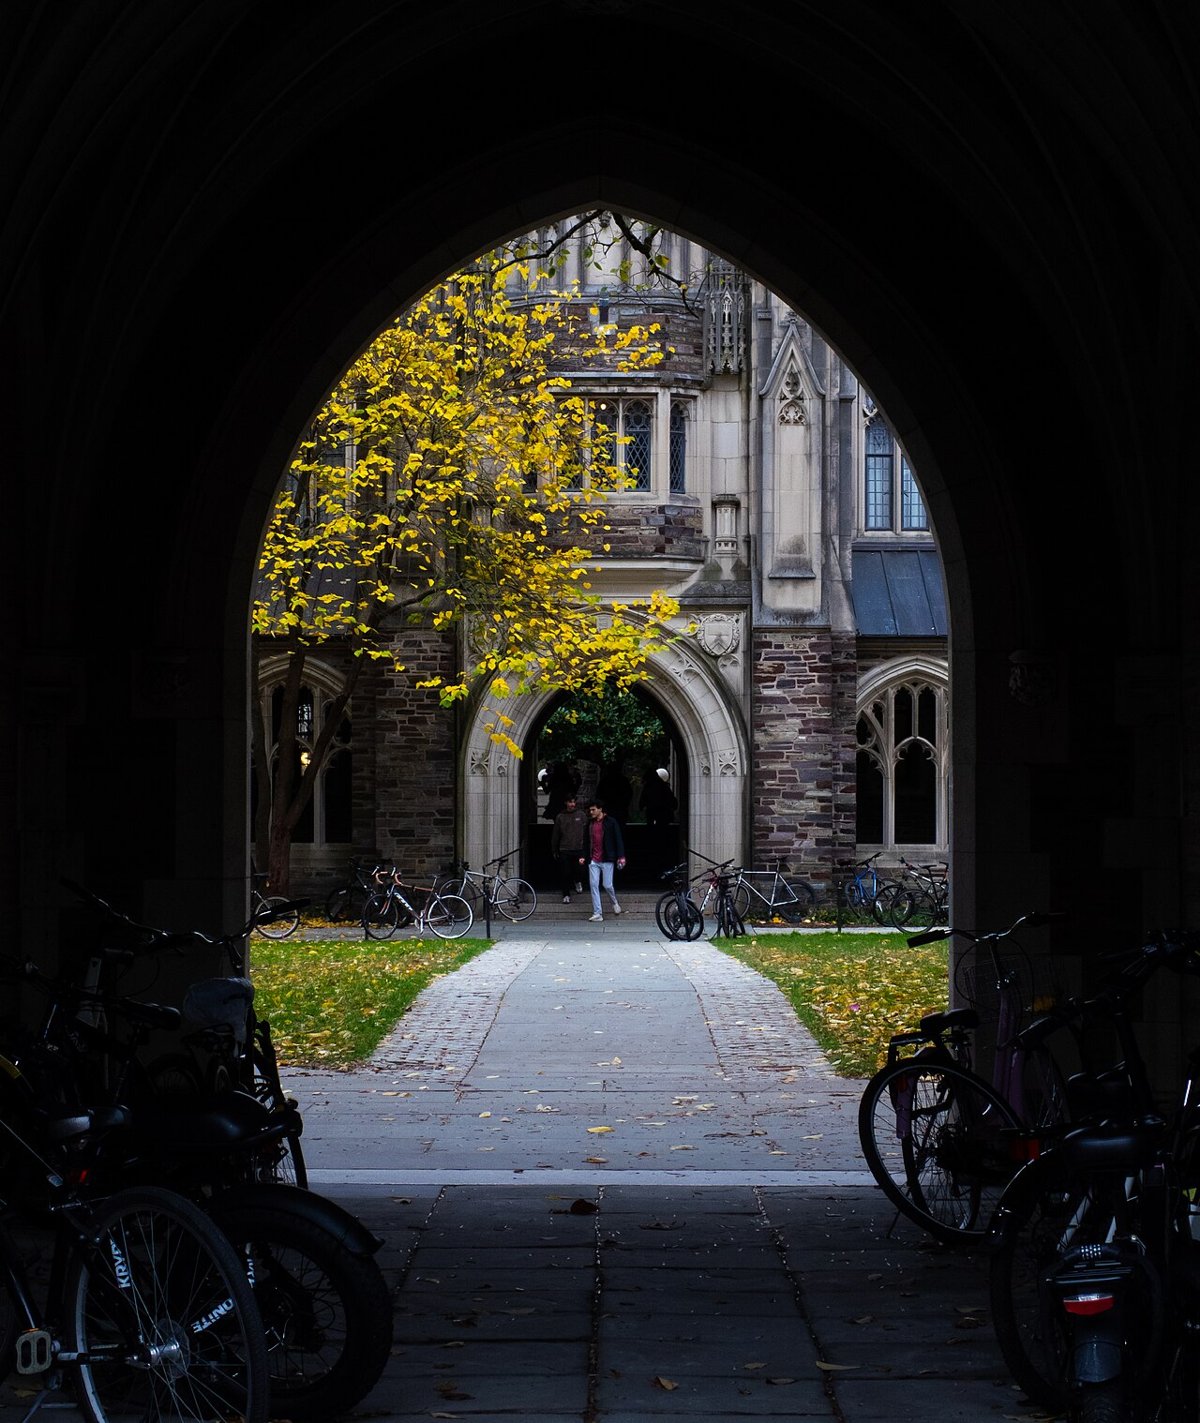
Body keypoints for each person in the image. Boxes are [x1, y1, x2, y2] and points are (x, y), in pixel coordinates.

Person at [581, 800, 626, 922]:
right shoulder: (590, 824)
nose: (591, 812)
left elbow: (618, 839)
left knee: (607, 885)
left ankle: (614, 901)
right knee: (593, 885)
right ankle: (597, 912)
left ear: (600, 809)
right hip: (594, 859)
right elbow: (586, 841)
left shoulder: (611, 822)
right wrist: (584, 856)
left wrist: (621, 856)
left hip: (607, 858)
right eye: (590, 810)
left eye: (593, 809)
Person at [550, 794, 588, 903]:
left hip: (579, 848)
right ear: (566, 803)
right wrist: (554, 849)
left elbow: (587, 830)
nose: (572, 804)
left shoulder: (581, 815)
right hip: (565, 849)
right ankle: (566, 894)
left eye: (573, 802)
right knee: (565, 872)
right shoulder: (560, 817)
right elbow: (556, 834)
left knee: (579, 869)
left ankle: (578, 881)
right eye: (569, 802)